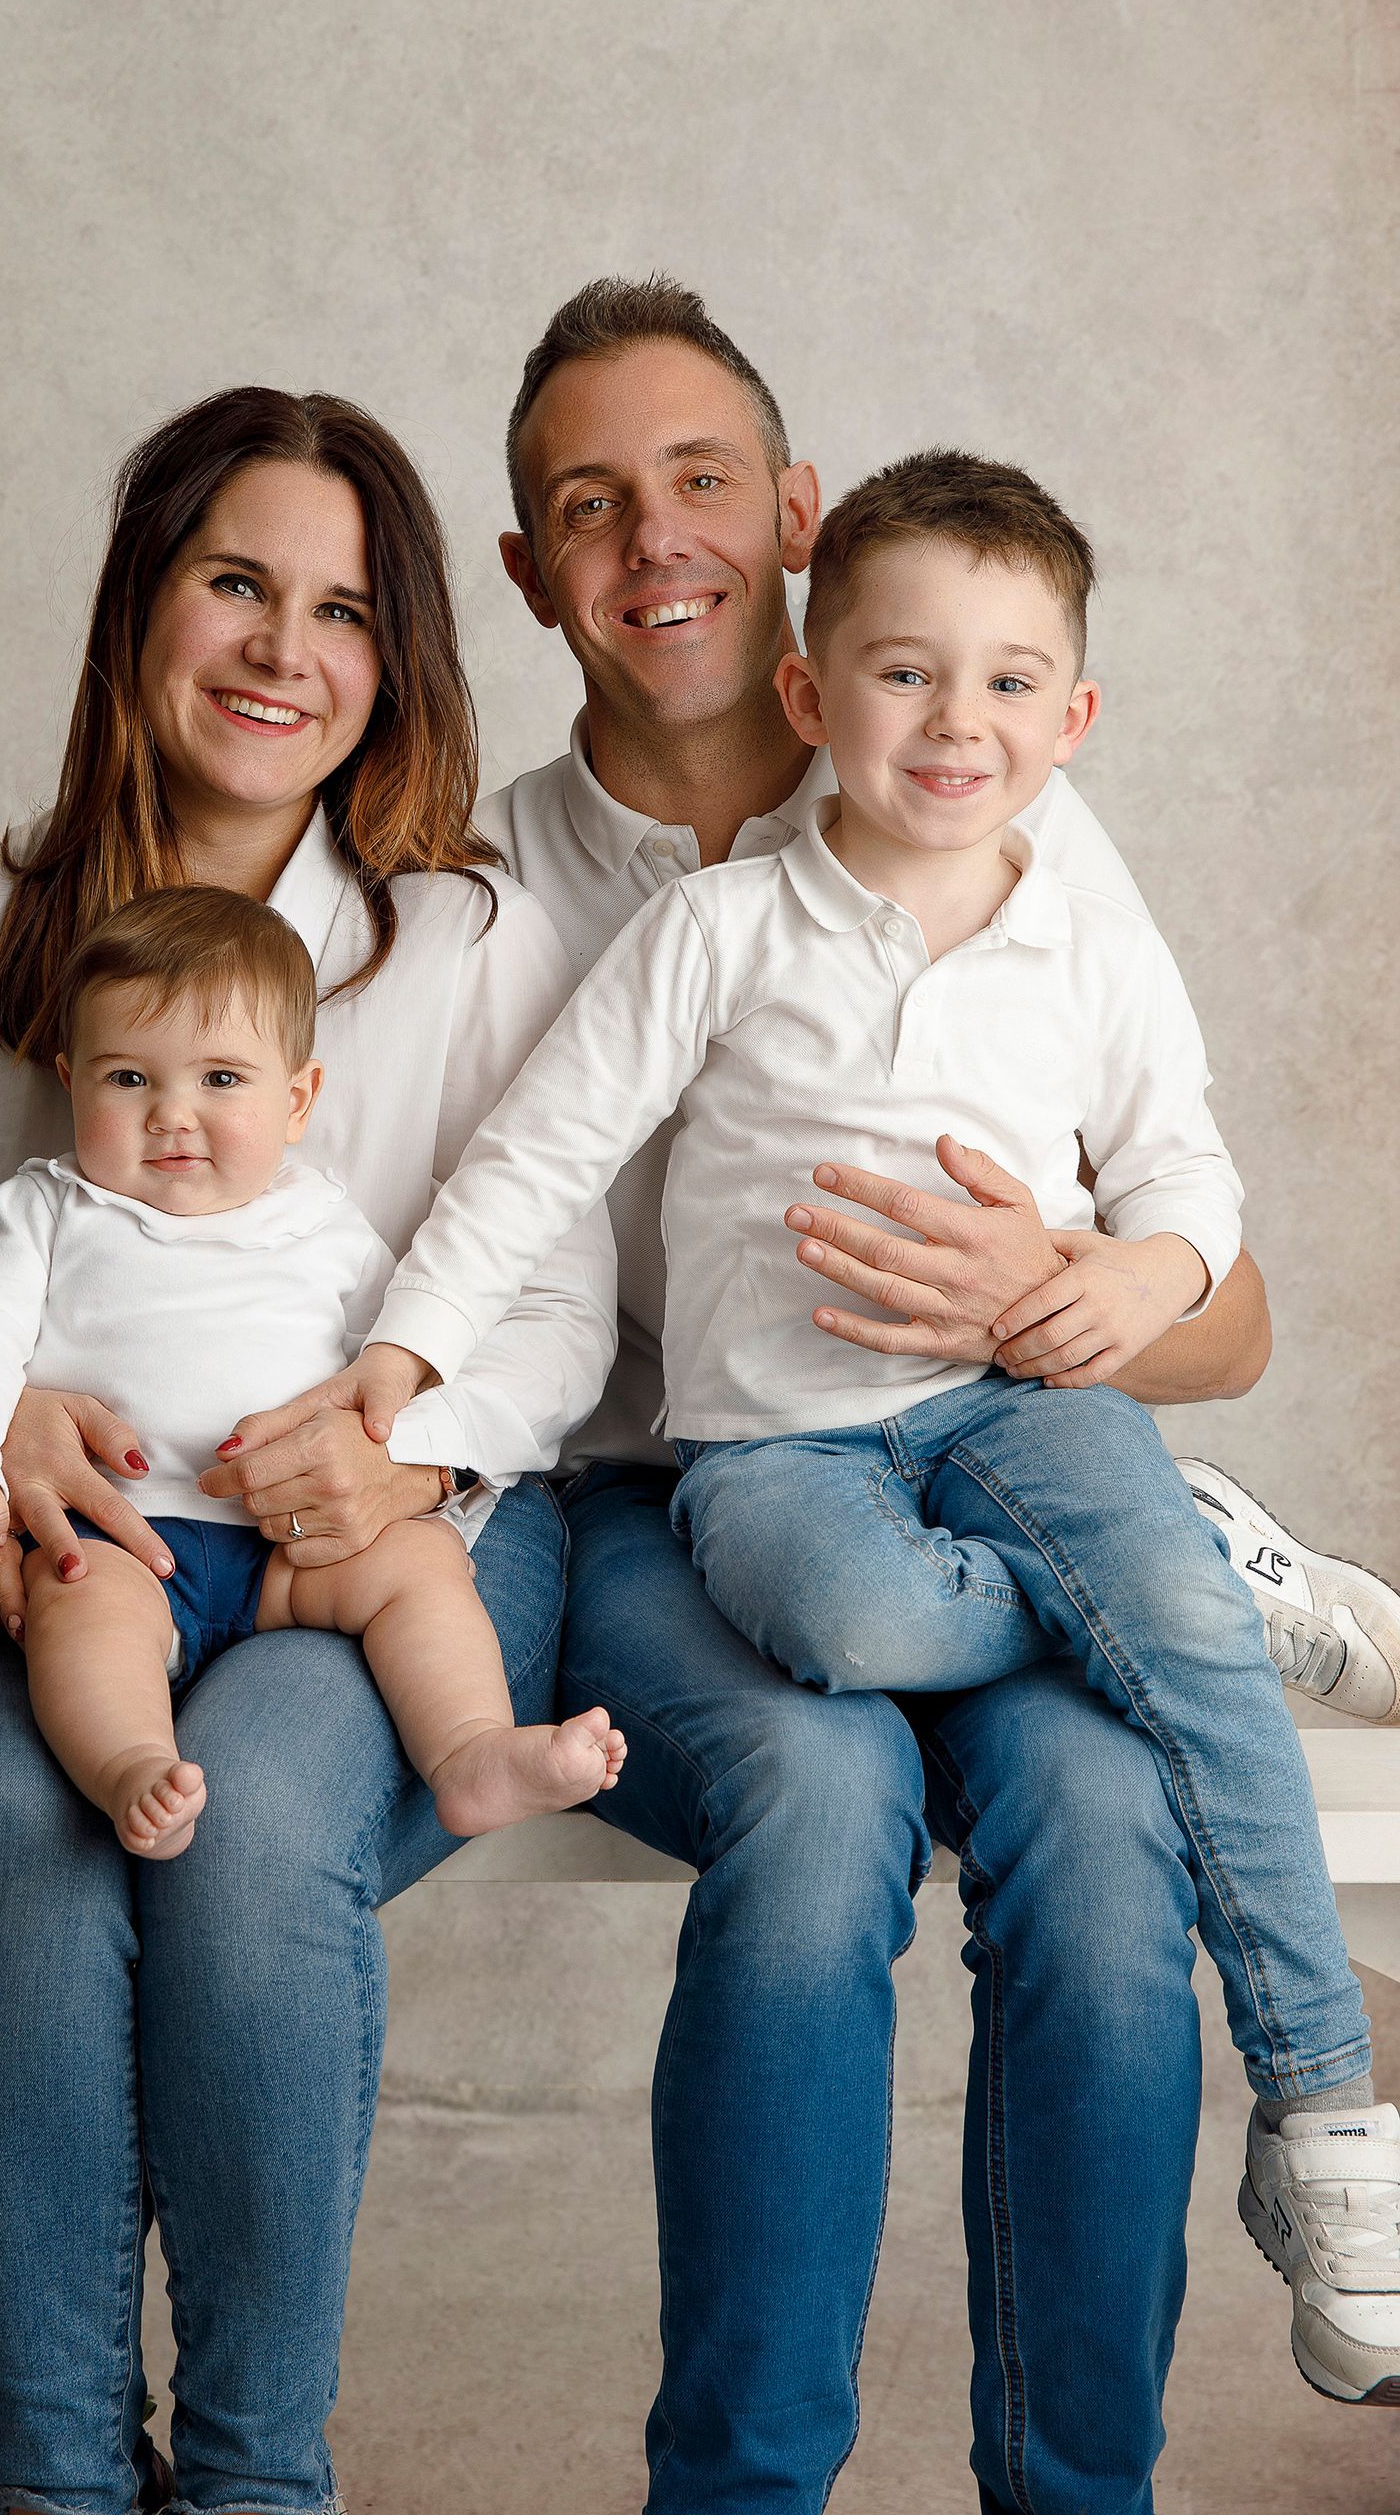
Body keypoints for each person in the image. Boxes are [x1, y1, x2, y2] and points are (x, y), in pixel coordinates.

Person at [235, 275, 1390, 2509]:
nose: (647, 535)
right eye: (585, 504)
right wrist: (357, 1407)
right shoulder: (480, 890)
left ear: (791, 515)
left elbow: (1221, 1297)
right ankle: (743, 2486)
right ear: (524, 572)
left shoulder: (1012, 804)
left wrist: (1059, 1286)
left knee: (1095, 1821)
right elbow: (452, 1210)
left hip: (1004, 1465)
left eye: (692, 481)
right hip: (671, 1506)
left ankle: (1083, 2482)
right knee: (826, 1788)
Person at [0, 386, 615, 2514]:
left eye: (344, 610)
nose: (284, 650)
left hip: (395, 1541)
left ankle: (260, 2481)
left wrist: (408, 1454)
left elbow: (559, 1313)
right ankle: (62, 2481)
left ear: (399, 659)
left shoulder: (466, 937)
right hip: (51, 1553)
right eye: (236, 583)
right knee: (15, 1819)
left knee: (256, 1835)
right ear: (141, 604)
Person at [0, 885, 625, 1855]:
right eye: (128, 1080)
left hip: (291, 1543)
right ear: (71, 1081)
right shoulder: (48, 1211)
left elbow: (403, 1347)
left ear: (296, 1102)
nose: (173, 1116)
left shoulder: (321, 1219)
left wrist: (404, 1447)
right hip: (126, 1539)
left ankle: (470, 1753)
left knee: (421, 1564)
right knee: (74, 1605)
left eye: (221, 1081)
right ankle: (131, 1768)